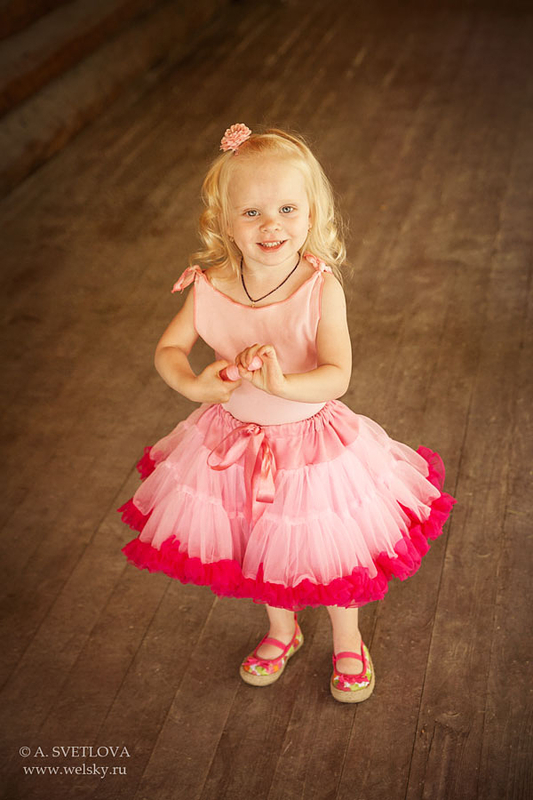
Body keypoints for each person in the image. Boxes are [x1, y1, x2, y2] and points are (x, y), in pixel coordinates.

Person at [119, 123, 456, 703]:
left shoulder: (319, 288)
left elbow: (338, 374)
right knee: (257, 542)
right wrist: (195, 385)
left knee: (330, 547)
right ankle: (282, 629)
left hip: (311, 447)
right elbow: (169, 349)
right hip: (232, 443)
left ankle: (348, 639)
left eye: (286, 209)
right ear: (224, 222)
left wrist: (283, 383)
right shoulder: (209, 285)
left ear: (311, 213)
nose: (270, 225)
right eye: (251, 212)